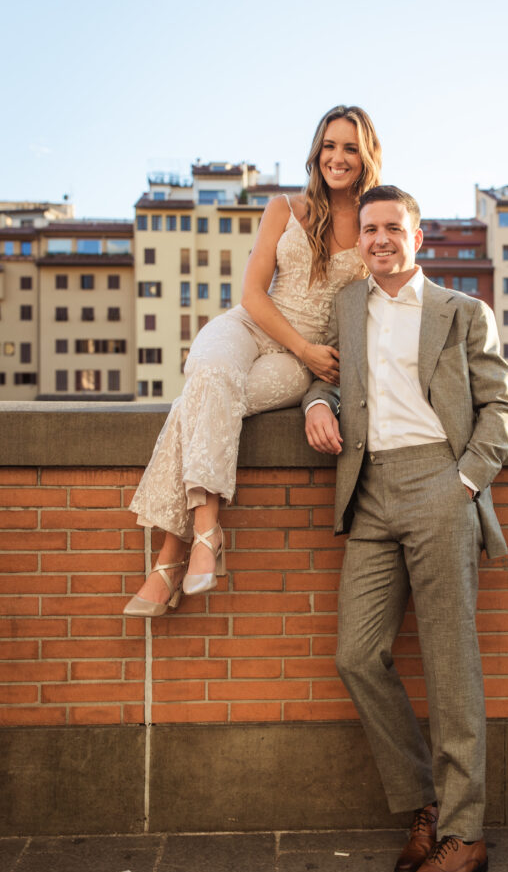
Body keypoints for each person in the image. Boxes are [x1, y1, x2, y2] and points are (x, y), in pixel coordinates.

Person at [303, 185, 508, 872]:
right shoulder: (349, 308)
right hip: (368, 490)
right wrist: (313, 402)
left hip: (438, 481)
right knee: (356, 654)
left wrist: (463, 481)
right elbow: (327, 378)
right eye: (369, 229)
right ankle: (429, 803)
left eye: (393, 227)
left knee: (451, 661)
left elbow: (500, 406)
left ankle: (464, 834)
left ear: (416, 237)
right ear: (358, 238)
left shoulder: (461, 312)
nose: (379, 239)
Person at [123, 106, 381, 617]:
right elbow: (252, 293)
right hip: (247, 326)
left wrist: (310, 359)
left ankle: (171, 558)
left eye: (350, 148)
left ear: (366, 155)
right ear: (316, 151)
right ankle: (205, 533)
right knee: (212, 374)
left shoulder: (375, 224)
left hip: (295, 363)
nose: (338, 157)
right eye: (330, 145)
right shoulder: (285, 208)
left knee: (198, 400)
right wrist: (308, 348)